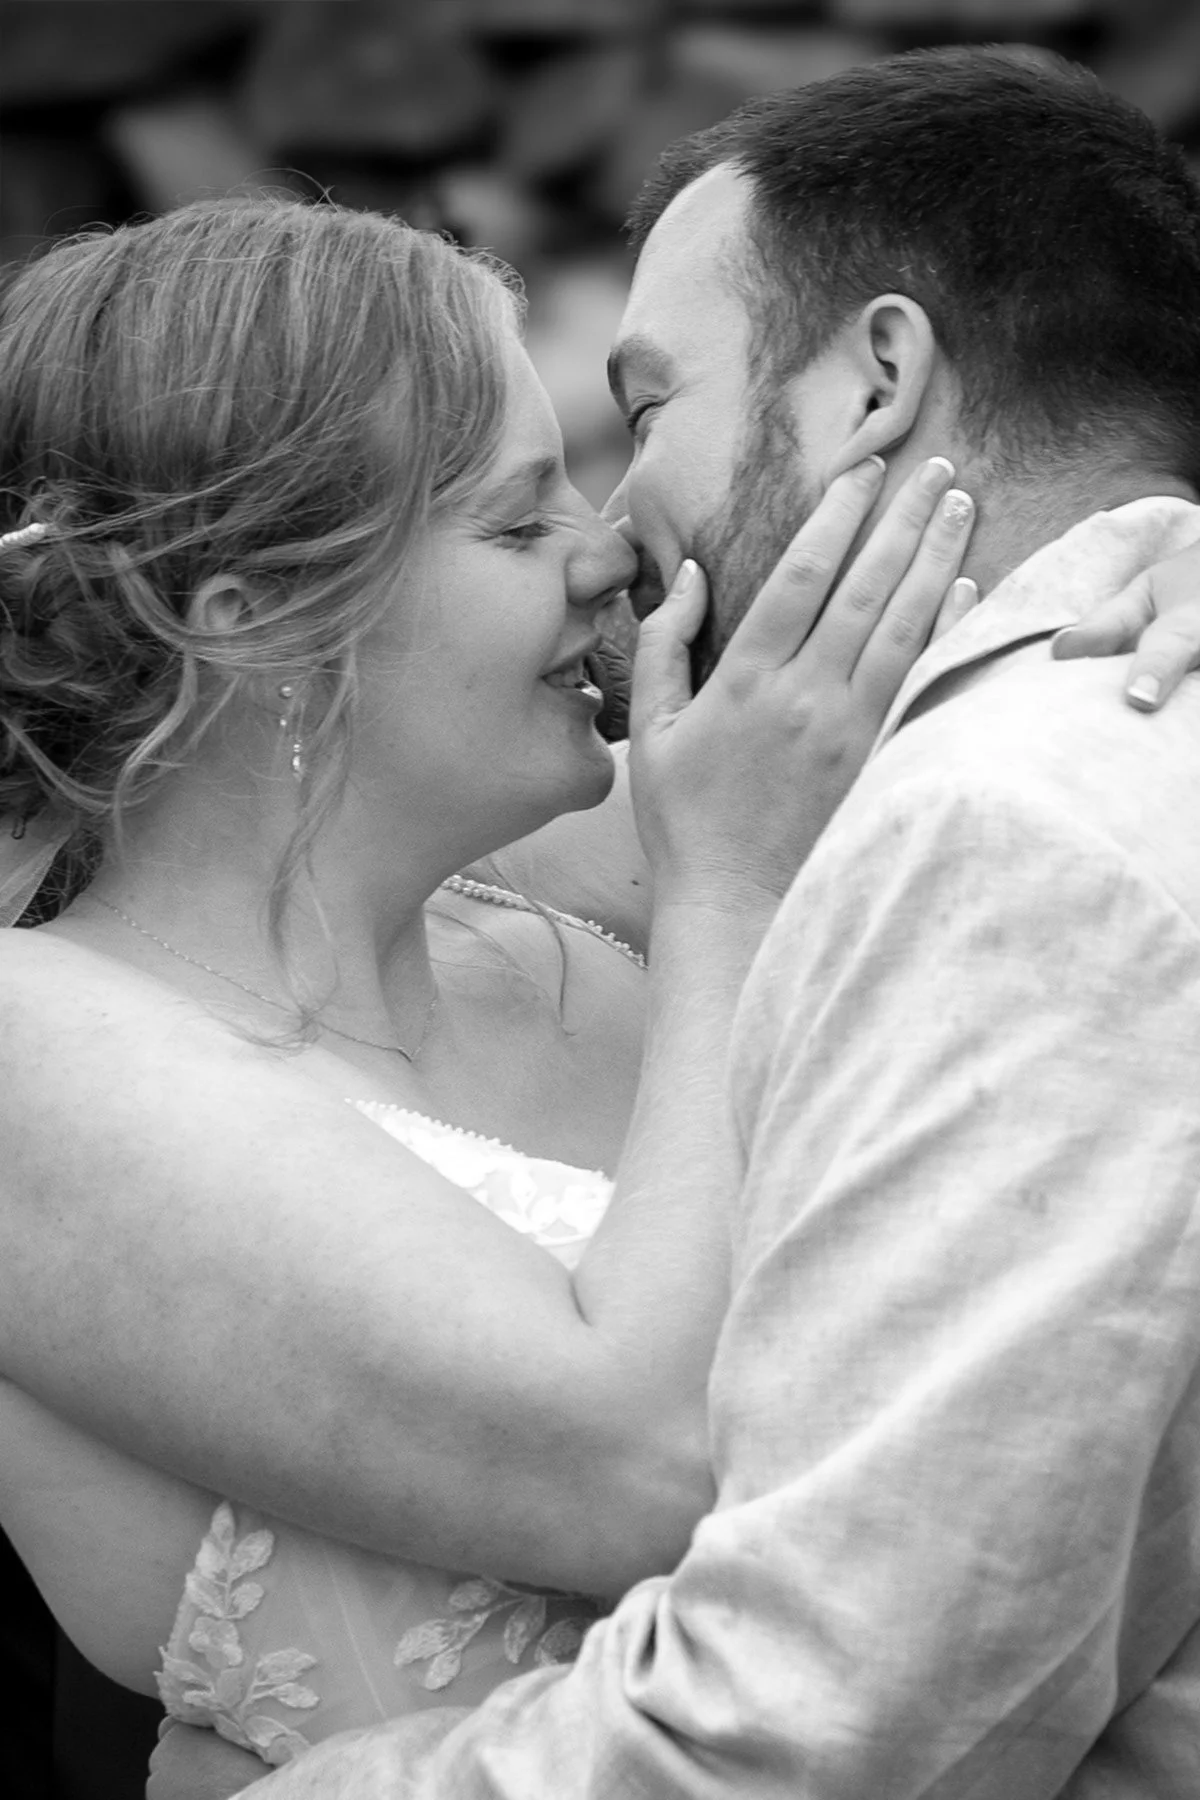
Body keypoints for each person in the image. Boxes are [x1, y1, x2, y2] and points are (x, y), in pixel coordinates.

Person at [167, 43, 1200, 1799]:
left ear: (879, 378)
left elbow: (829, 1725)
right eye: (518, 513)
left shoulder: (1008, 829)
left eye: (645, 413)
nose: (612, 538)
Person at [0, 183, 1021, 1792]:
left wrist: (1151, 584)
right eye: (518, 519)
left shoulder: (568, 897)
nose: (610, 551)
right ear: (260, 626)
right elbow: (655, 1470)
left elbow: (1016, 731)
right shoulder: (32, 1049)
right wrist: (733, 893)